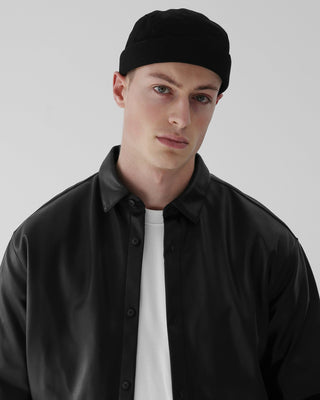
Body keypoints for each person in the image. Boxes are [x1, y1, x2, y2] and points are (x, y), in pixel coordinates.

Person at [0, 8, 319, 400]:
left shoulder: (266, 245)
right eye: (163, 89)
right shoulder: (40, 243)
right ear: (120, 89)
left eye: (201, 97)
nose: (181, 118)